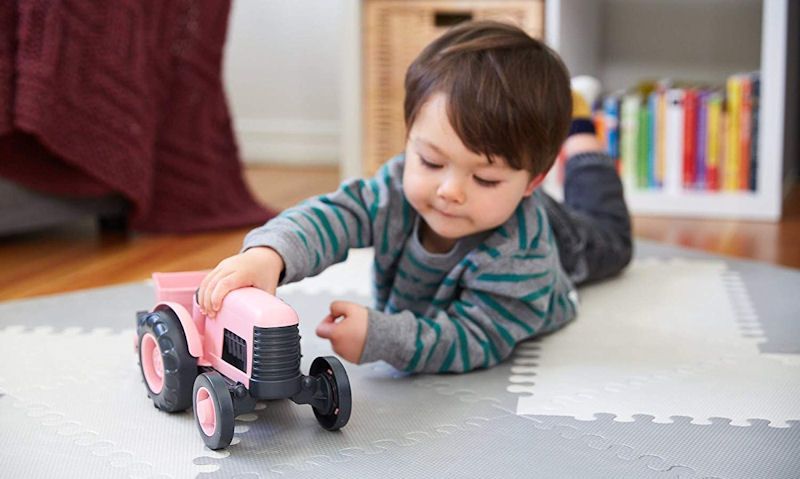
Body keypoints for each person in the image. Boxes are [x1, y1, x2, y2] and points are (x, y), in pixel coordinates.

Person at [197, 21, 632, 374]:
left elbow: (475, 336)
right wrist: (271, 254)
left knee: (613, 237)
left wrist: (386, 338)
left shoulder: (523, 257)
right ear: (410, 141)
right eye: (431, 161)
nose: (450, 191)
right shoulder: (397, 189)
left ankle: (581, 138)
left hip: (565, 242)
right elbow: (336, 216)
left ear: (533, 181)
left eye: (484, 178)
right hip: (508, 208)